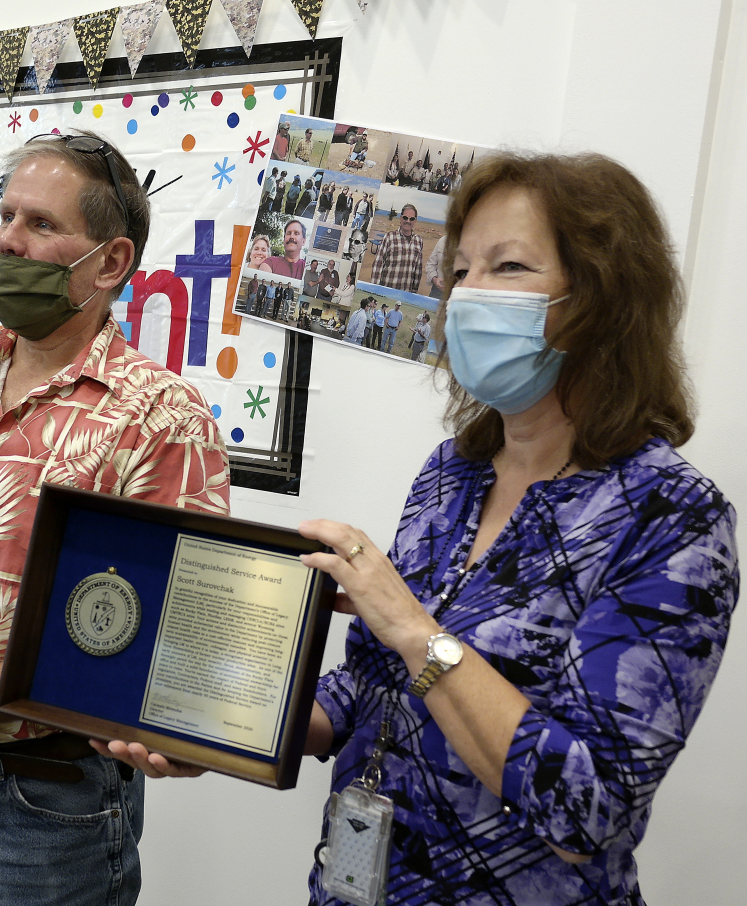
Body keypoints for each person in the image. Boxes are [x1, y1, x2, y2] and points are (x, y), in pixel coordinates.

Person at [290, 152, 738, 905]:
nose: (468, 296)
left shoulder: (671, 515)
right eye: (461, 271)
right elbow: (372, 687)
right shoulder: (451, 473)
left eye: (508, 267)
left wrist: (410, 625)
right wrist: (225, 725)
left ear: (600, 298)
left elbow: (586, 808)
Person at [0, 130, 231, 906]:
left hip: (53, 807)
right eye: (7, 215)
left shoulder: (159, 418)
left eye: (42, 225)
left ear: (112, 263)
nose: (9, 240)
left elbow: (131, 629)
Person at [370, 203, 425, 292]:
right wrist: (374, 289)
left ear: (415, 221)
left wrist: (414, 292)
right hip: (387, 290)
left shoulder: (418, 241)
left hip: (405, 293)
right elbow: (378, 264)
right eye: (405, 217)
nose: (408, 221)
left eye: (411, 219)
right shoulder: (389, 237)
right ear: (400, 218)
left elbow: (417, 270)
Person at [425, 234, 447, 298]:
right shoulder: (443, 241)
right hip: (437, 291)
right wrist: (435, 279)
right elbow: (430, 264)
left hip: (458, 296)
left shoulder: (470, 245)